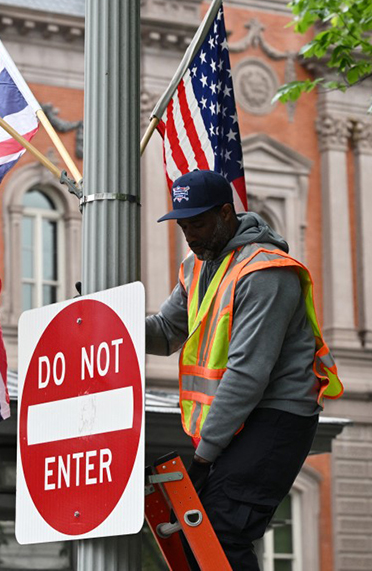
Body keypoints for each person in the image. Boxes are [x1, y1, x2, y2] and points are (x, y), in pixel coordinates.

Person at [146, 169, 342, 571]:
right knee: (197, 532)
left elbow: (247, 375)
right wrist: (112, 323)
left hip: (277, 417)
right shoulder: (199, 266)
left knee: (221, 530)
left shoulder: (266, 273)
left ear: (224, 213)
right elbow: (166, 333)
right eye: (183, 226)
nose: (191, 236)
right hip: (239, 421)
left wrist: (203, 458)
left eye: (197, 224)